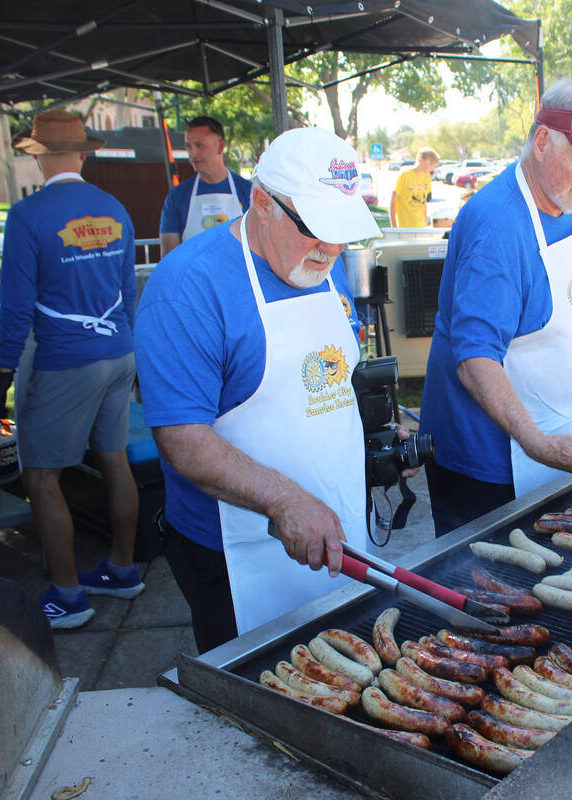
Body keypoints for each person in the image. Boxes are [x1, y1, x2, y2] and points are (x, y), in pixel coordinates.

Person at [135, 128, 386, 652]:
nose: (331, 249)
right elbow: (181, 436)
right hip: (234, 553)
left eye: (342, 231)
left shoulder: (326, 267)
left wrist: (379, 425)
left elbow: (331, 373)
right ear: (262, 203)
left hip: (338, 525)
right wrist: (284, 499)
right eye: (316, 228)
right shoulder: (188, 287)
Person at [419, 75, 572, 536]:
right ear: (541, 141)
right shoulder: (497, 225)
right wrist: (536, 441)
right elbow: (475, 361)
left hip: (556, 443)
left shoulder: (571, 207)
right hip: (490, 466)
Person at [0, 109, 142, 630]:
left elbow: (16, 305)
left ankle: (68, 596)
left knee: (42, 475)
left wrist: (4, 370)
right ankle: (123, 570)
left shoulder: (29, 215)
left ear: (38, 158)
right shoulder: (114, 208)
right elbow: (130, 292)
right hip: (119, 351)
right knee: (115, 460)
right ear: (81, 154)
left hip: (65, 358)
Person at [158, 116, 252, 256]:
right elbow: (169, 257)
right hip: (193, 278)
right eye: (188, 147)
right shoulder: (177, 197)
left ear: (220, 146)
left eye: (199, 145)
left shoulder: (249, 192)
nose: (192, 154)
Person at [389, 147, 438, 227]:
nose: (432, 168)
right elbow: (393, 201)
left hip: (421, 227)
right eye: (431, 164)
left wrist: (425, 224)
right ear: (421, 160)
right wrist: (394, 227)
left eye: (434, 166)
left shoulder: (427, 177)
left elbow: (424, 201)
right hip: (405, 227)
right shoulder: (404, 176)